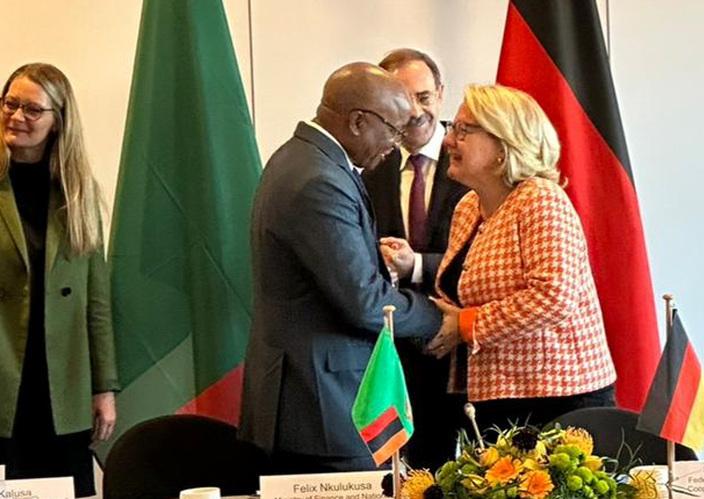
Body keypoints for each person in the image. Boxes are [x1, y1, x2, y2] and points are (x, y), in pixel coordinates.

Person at [238, 62, 447, 474]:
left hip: (315, 401)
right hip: (322, 411)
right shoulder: (319, 180)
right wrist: (438, 317)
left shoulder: (304, 160)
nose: (396, 144)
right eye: (393, 130)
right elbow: (365, 303)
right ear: (357, 121)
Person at [426, 84, 617, 431]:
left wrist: (467, 325)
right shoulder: (468, 206)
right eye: (452, 127)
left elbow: (553, 297)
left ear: (504, 146)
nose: (448, 141)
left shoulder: (541, 199)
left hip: (558, 398)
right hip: (493, 396)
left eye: (463, 130)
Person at [0, 63, 118, 498]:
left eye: (32, 109)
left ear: (58, 121)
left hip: (62, 382)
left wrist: (104, 387)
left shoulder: (78, 195)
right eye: (10, 104)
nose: (17, 117)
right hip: (3, 375)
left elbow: (96, 303)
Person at [362, 49, 468, 470]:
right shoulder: (371, 165)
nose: (416, 112)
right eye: (404, 100)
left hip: (466, 349)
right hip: (399, 355)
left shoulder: (475, 159)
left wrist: (418, 264)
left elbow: (484, 258)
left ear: (441, 94)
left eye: (424, 97)